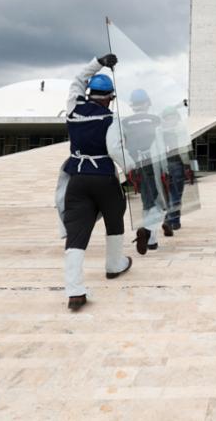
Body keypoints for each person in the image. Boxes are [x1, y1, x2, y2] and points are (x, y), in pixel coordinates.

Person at [56, 53, 132, 312]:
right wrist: (133, 171)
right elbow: (115, 149)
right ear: (110, 97)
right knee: (114, 217)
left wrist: (99, 61)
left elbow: (77, 79)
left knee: (77, 233)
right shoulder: (110, 119)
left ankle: (75, 291)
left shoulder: (74, 108)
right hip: (103, 178)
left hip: (77, 178)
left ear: (90, 93)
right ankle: (114, 265)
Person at [121, 88, 167, 254]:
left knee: (147, 201)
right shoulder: (155, 120)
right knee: (159, 202)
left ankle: (151, 239)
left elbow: (123, 145)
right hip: (152, 164)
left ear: (133, 105)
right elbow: (161, 144)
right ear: (147, 103)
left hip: (136, 166)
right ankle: (148, 233)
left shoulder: (125, 122)